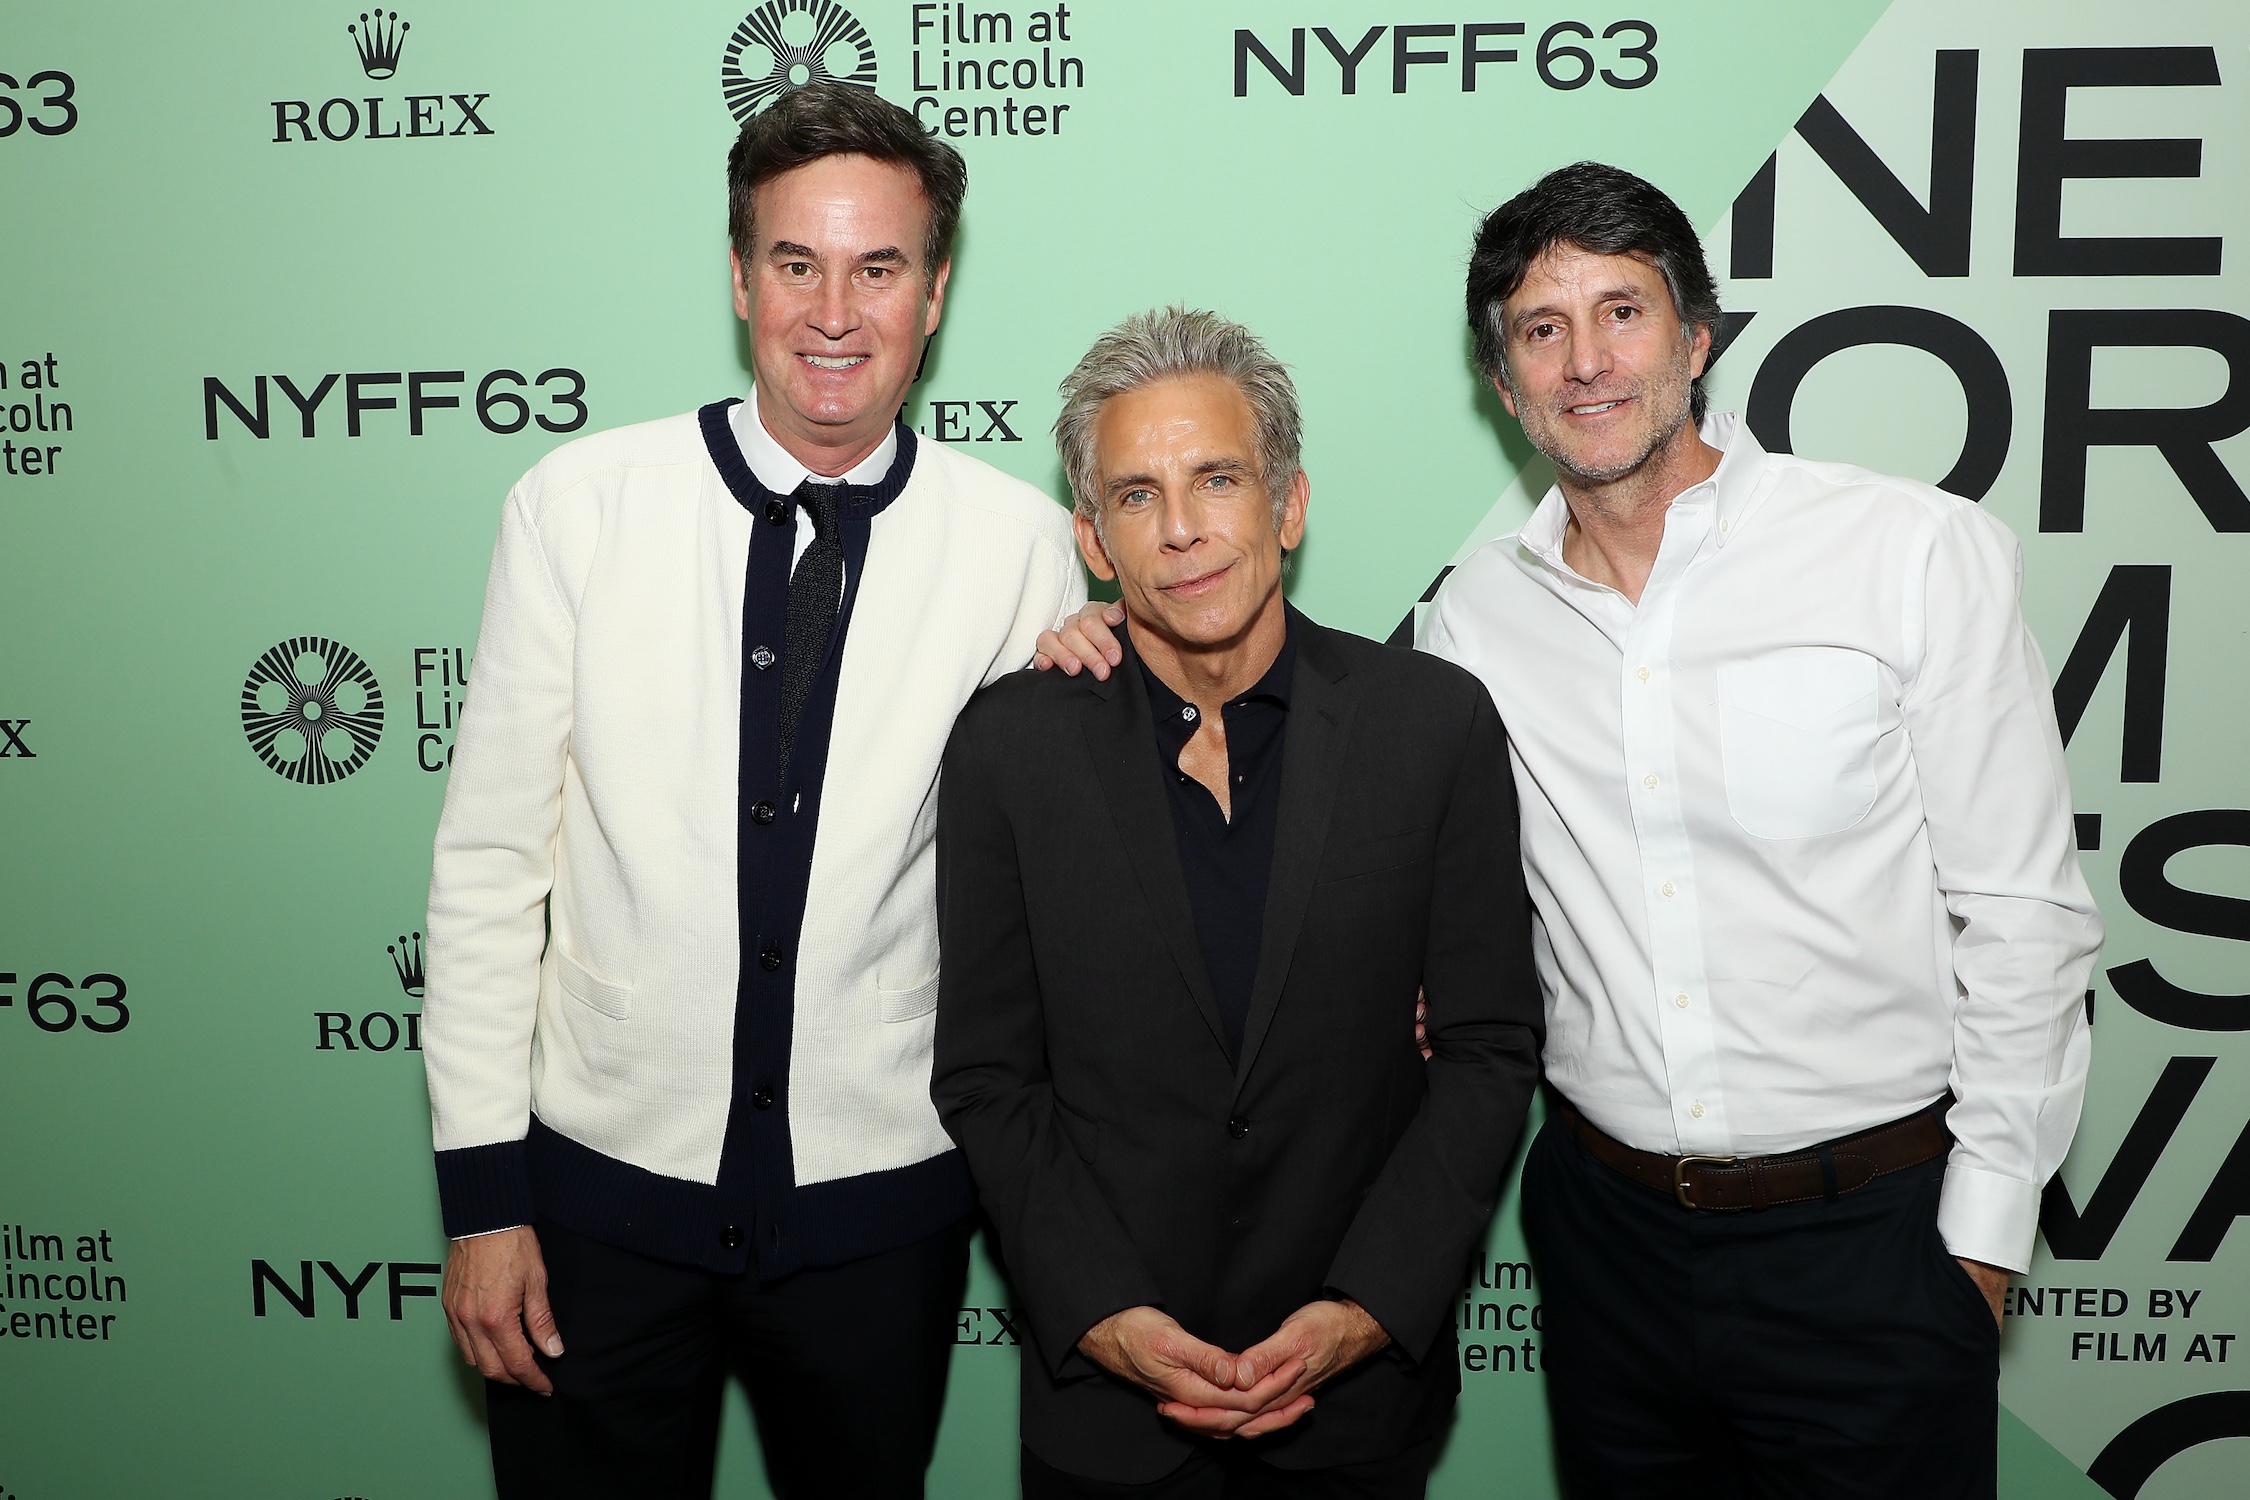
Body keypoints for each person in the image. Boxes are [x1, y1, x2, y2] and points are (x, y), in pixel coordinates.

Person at [1038, 164, 2102, 1498]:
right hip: (1608, 1250)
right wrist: (1107, 642)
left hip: (1877, 1244)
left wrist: (1978, 1251)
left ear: (1696, 338)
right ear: (1503, 382)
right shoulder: (1469, 625)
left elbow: (2024, 919)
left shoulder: (1910, 553)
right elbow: (1317, 788)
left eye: (1622, 312)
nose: (1586, 361)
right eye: (1542, 329)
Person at [420, 82, 1085, 1500]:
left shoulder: (1024, 547)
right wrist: (482, 1199)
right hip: (591, 1212)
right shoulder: (578, 506)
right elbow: (487, 869)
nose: (834, 312)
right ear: (738, 278)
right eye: (796, 263)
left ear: (934, 293)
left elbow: (1054, 880)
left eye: (878, 268)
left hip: (881, 1218)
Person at [934, 307, 1544, 1499]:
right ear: (1093, 539)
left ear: (1289, 504)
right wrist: (1101, 1311)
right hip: (1106, 1415)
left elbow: (1488, 1048)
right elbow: (990, 1078)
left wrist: (1367, 1306)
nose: (1183, 529)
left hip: (1358, 1407)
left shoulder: (1432, 726)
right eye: (1137, 495)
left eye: (1217, 479)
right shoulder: (1011, 748)